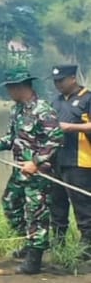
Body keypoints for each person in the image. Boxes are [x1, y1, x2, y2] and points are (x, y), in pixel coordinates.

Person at [0, 68, 63, 275]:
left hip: (39, 174)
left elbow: (56, 139)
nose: (8, 92)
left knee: (37, 213)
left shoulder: (43, 110)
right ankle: (29, 240)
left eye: (10, 88)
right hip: (19, 171)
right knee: (10, 204)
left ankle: (34, 258)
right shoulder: (17, 110)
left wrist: (36, 161)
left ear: (20, 87)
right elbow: (11, 137)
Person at [50, 64, 91, 257]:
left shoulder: (87, 98)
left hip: (81, 161)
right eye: (55, 81)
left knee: (82, 205)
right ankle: (58, 241)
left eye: (61, 81)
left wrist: (70, 127)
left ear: (73, 78)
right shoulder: (56, 101)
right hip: (57, 160)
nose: (58, 85)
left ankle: (87, 246)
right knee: (57, 204)